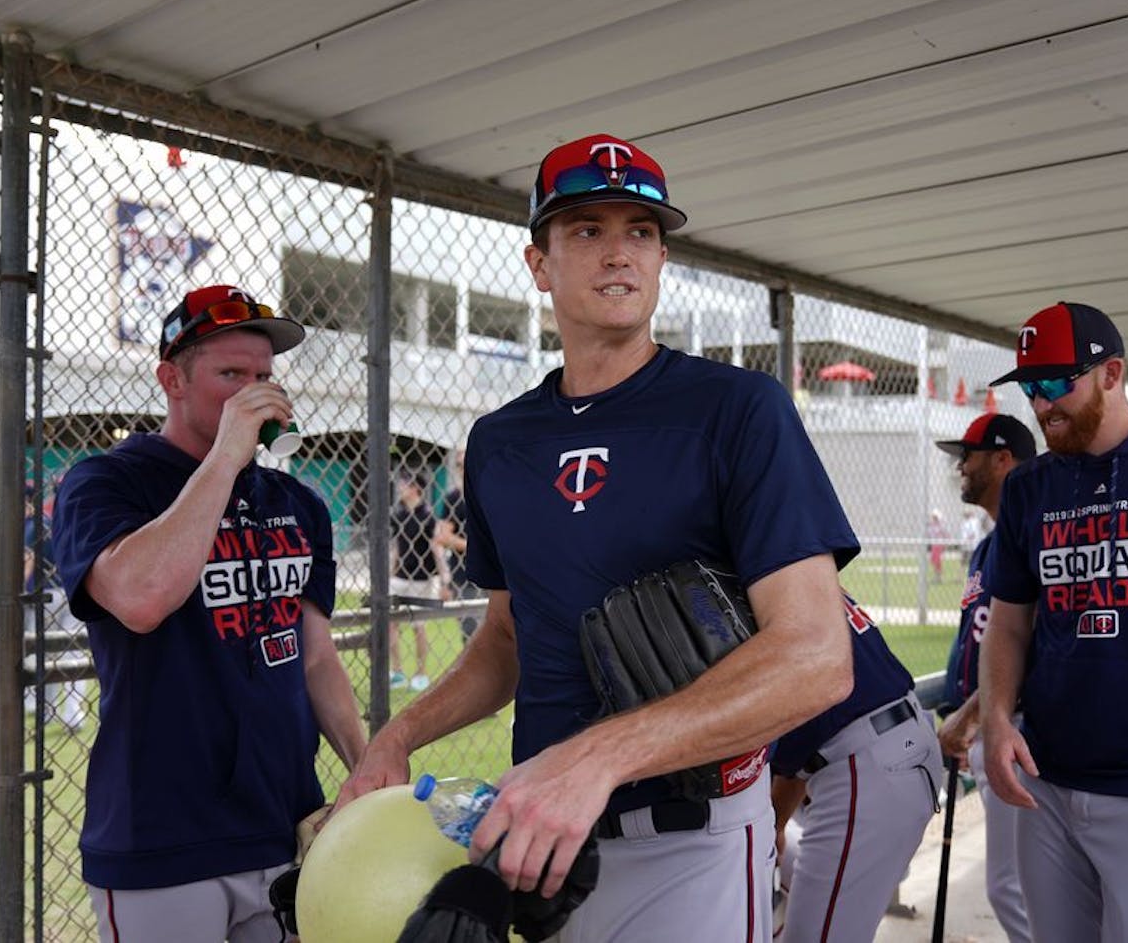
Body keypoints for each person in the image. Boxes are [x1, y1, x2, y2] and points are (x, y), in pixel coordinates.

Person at [336, 133, 858, 942]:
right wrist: (397, 737)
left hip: (694, 837)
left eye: (641, 231)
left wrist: (596, 759)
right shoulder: (501, 443)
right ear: (538, 263)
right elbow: (506, 638)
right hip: (540, 851)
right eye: (586, 229)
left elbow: (816, 657)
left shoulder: (737, 409)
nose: (620, 253)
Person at [51, 284, 367, 943]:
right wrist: (226, 457)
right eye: (230, 375)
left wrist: (366, 768)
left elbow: (315, 656)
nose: (255, 392)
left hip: (284, 822)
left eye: (263, 377)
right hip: (164, 837)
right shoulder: (107, 482)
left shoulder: (297, 502)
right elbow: (141, 599)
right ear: (172, 379)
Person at [977, 301, 1128, 942]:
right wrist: (996, 719)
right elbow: (1008, 623)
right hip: (1048, 779)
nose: (1042, 404)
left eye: (1057, 383)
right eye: (1029, 388)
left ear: (1112, 373)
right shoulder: (1030, 488)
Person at [769, 590, 942, 943]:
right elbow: (806, 747)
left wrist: (773, 824)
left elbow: (814, 731)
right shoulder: (792, 568)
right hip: (894, 745)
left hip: (867, 765)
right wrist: (774, 824)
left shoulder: (738, 581)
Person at [932, 412, 1037, 943]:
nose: (961, 469)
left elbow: (1029, 646)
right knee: (1017, 889)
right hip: (988, 729)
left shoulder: (1034, 534)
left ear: (1002, 459)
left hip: (1015, 732)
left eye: (969, 456)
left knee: (1016, 890)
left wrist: (971, 716)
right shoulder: (987, 546)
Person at [21, 479, 90, 732]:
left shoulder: (41, 523)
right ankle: (73, 716)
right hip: (73, 592)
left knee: (45, 653)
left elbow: (28, 558)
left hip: (46, 595)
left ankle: (45, 710)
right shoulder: (78, 519)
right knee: (74, 653)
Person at [390, 468, 449, 692]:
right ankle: (397, 671)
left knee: (418, 626)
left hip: (422, 580)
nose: (400, 488)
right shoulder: (399, 514)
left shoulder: (428, 516)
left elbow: (437, 549)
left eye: (404, 484)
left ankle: (421, 673)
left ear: (415, 488)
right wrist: (390, 571)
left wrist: (444, 581)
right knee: (391, 624)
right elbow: (397, 546)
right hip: (399, 578)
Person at [434, 448, 481, 644]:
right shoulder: (453, 498)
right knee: (469, 631)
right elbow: (443, 537)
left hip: (494, 574)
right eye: (459, 466)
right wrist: (479, 548)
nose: (463, 469)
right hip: (463, 574)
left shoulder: (485, 494)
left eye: (466, 464)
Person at [926, 508, 948, 583]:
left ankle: (939, 577)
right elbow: (929, 534)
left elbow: (945, 534)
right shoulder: (931, 525)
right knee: (934, 561)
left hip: (939, 545)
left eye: (935, 517)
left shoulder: (940, 525)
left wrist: (944, 544)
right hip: (934, 544)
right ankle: (937, 576)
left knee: (938, 562)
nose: (934, 518)